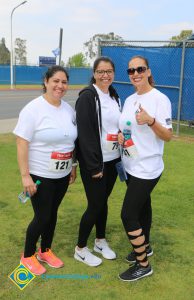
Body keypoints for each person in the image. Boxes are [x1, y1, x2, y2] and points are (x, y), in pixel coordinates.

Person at [13, 66, 77, 275]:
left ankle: (45, 250)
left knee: (52, 214)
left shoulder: (68, 109)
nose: (60, 86)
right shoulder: (33, 109)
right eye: (56, 81)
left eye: (64, 82)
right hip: (40, 175)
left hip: (62, 174)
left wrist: (73, 166)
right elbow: (22, 142)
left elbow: (71, 141)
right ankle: (27, 255)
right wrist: (25, 176)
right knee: (42, 217)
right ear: (46, 82)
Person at [118, 55, 172, 281]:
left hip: (147, 168)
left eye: (140, 69)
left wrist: (150, 121)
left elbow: (167, 136)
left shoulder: (160, 99)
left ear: (148, 71)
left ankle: (143, 265)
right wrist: (123, 137)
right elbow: (128, 126)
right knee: (143, 209)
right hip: (131, 164)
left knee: (128, 214)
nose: (135, 74)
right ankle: (145, 246)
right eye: (131, 71)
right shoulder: (130, 99)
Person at [74, 56, 121, 267]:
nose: (105, 75)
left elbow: (114, 126)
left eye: (109, 71)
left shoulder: (113, 96)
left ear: (113, 73)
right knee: (95, 205)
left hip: (112, 160)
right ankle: (80, 249)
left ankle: (100, 241)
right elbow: (84, 134)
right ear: (94, 73)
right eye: (101, 71)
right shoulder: (87, 97)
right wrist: (93, 166)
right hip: (95, 163)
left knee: (103, 203)